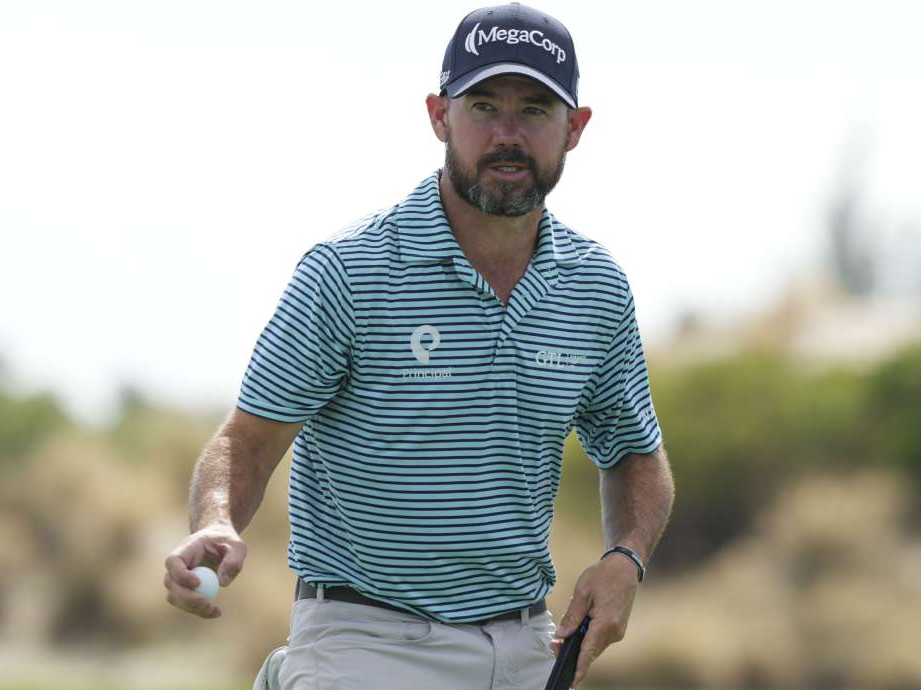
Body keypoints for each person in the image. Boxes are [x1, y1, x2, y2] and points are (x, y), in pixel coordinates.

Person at [163, 3, 675, 689]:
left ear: (575, 128)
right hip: (364, 642)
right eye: (484, 106)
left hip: (527, 646)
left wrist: (626, 558)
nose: (506, 134)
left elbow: (638, 458)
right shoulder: (350, 269)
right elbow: (246, 442)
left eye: (534, 111)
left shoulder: (594, 287)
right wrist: (217, 519)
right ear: (439, 116)